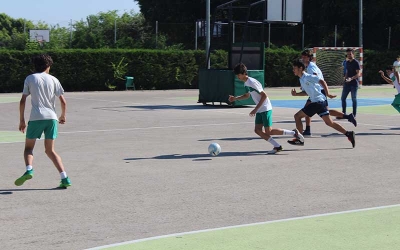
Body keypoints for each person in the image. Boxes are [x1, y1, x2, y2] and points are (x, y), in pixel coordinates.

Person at [16, 54, 71, 189]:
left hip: (36, 117)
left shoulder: (30, 78)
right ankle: (65, 178)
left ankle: (29, 169)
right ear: (48, 66)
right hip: (51, 118)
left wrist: (22, 120)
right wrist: (63, 116)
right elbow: (63, 101)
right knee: (50, 150)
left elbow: (23, 100)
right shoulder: (54, 79)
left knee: (29, 148)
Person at [229, 63, 304, 154]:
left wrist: (255, 109)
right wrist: (235, 98)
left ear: (244, 73)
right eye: (237, 75)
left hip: (265, 108)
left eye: (239, 75)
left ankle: (293, 133)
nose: (238, 77)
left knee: (269, 131)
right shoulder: (246, 83)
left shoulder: (252, 82)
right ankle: (277, 146)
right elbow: (247, 95)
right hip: (260, 109)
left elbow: (264, 95)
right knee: (257, 130)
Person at [289, 60, 355, 148]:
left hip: (318, 102)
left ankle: (300, 139)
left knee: (297, 116)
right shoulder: (301, 79)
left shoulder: (308, 76)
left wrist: (327, 93)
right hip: (320, 102)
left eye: (295, 68)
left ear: (301, 68)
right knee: (329, 122)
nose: (293, 70)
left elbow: (322, 81)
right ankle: (348, 134)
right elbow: (306, 92)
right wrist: (296, 94)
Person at [300, 50, 357, 136]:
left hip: (318, 92)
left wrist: (326, 92)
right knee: (325, 112)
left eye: (305, 57)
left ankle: (307, 130)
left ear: (309, 58)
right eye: (302, 57)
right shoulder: (309, 66)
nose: (303, 59)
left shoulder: (311, 67)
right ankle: (348, 117)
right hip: (319, 91)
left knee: (307, 109)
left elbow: (318, 79)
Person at [341, 48, 360, 118]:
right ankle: (343, 113)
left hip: (354, 84)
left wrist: (351, 78)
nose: (349, 55)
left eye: (350, 54)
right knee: (343, 98)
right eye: (348, 54)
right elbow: (347, 72)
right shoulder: (347, 62)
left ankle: (354, 114)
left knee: (353, 99)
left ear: (353, 54)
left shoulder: (356, 62)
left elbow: (358, 74)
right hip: (347, 84)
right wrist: (345, 79)